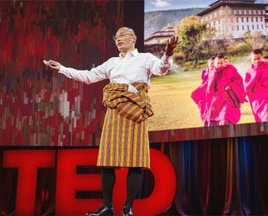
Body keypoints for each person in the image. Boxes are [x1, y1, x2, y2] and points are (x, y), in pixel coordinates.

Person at [43, 27, 180, 216]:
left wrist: (168, 53)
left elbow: (162, 69)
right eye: (116, 38)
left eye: (122, 36)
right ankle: (107, 206)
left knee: (135, 160)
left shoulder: (145, 58)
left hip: (135, 110)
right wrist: (62, 69)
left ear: (133, 38)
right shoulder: (112, 62)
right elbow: (89, 76)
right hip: (115, 110)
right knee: (108, 160)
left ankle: (128, 208)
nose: (118, 40)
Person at [191, 55, 246, 126]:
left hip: (228, 99)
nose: (220, 65)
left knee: (226, 116)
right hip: (217, 101)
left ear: (224, 62)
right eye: (218, 64)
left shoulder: (230, 69)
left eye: (221, 63)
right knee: (216, 119)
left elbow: (239, 80)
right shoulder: (213, 73)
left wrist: (231, 86)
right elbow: (209, 90)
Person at [244, 49, 268, 122]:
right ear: (251, 59)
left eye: (258, 58)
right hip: (256, 100)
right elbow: (246, 87)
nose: (257, 61)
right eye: (254, 59)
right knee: (260, 119)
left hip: (266, 97)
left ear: (262, 57)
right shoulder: (249, 71)